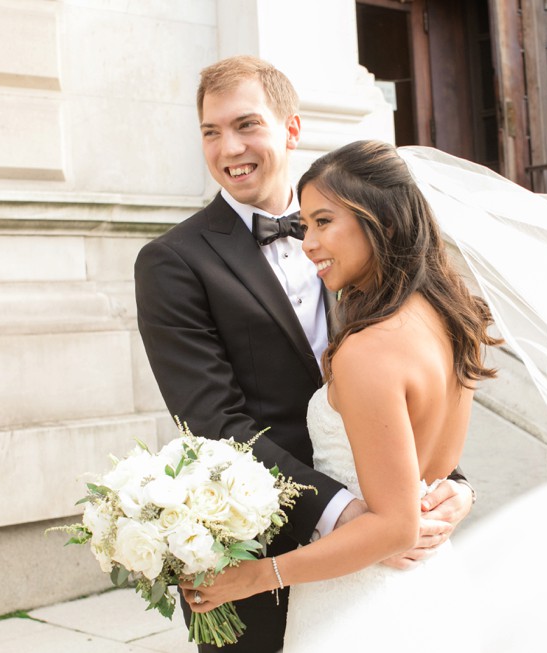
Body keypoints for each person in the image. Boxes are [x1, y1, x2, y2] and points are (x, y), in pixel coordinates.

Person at [134, 57, 475, 652]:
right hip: (260, 543)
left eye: (246, 124)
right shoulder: (173, 261)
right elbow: (214, 422)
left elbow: (412, 389)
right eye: (210, 132)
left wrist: (450, 490)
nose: (228, 148)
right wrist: (349, 516)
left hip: (385, 552)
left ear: (291, 129)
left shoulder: (362, 243)